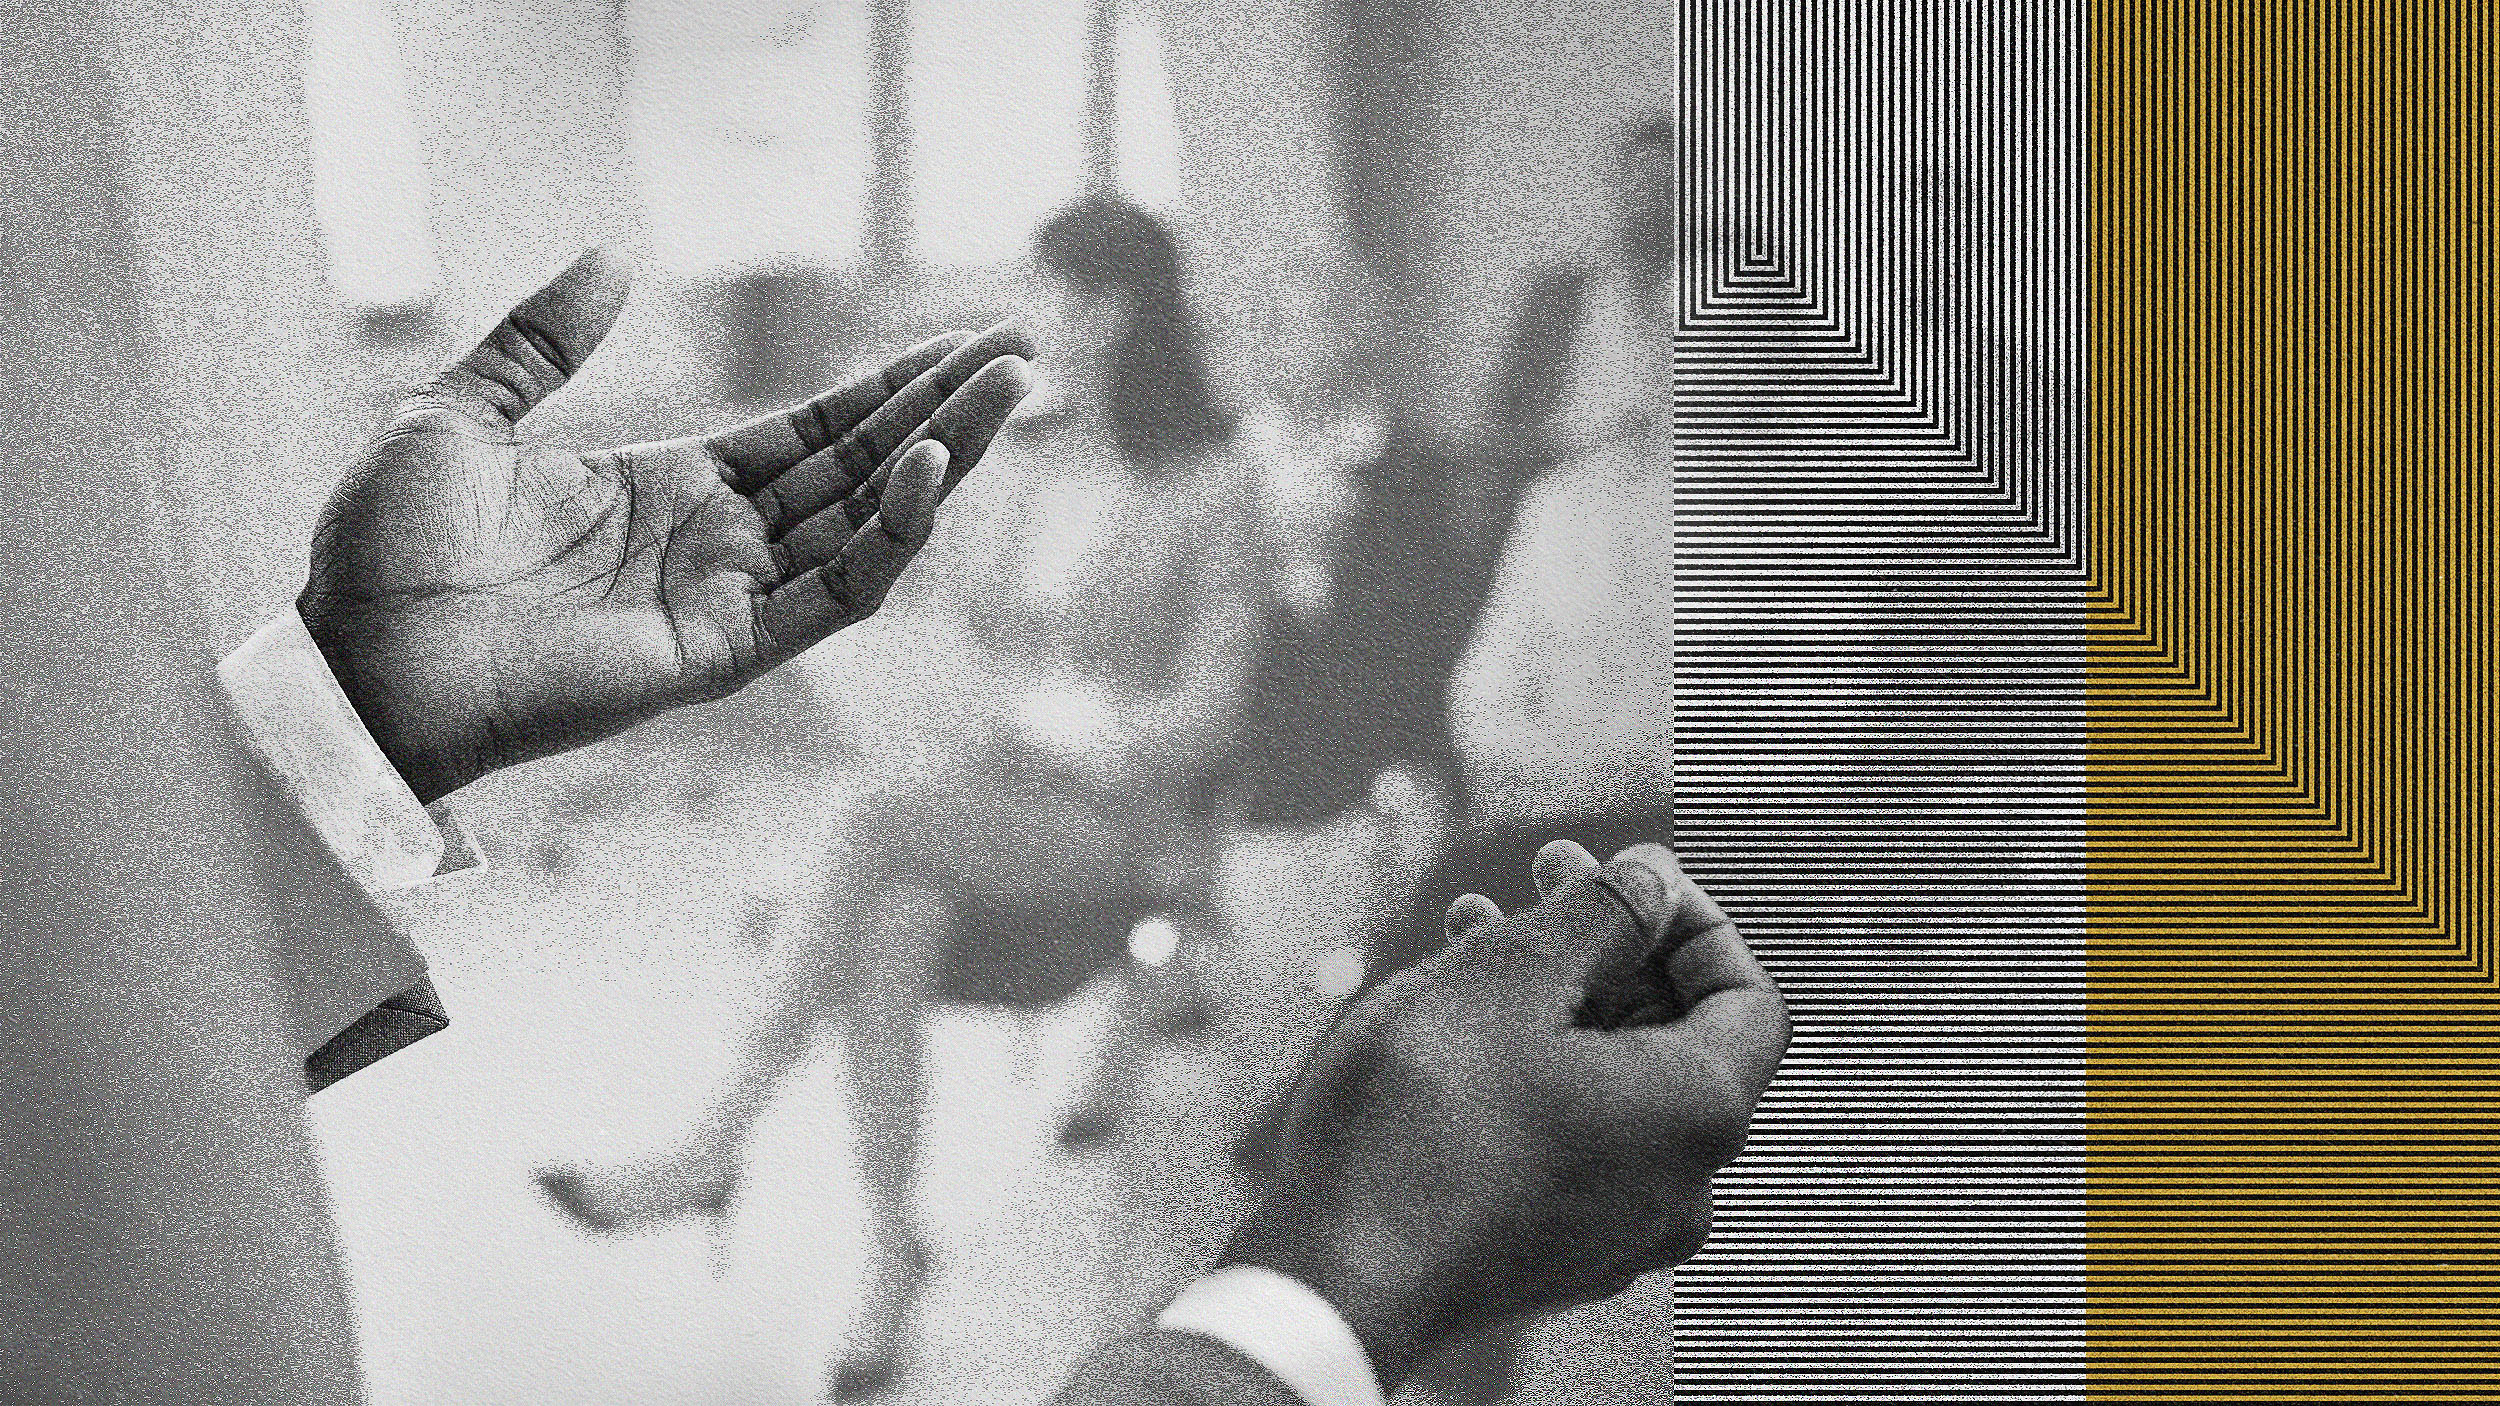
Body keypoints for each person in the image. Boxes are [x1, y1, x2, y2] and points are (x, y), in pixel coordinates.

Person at [533, 193, 1280, 1399]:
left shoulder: (1211, 482)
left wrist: (1089, 723)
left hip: (1116, 819)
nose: (1043, 319)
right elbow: (962, 632)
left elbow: (1214, 711)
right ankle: (891, 1250)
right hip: (980, 790)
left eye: (1066, 294)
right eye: (1038, 289)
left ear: (1127, 311)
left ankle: (716, 1138)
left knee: (870, 822)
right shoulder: (1034, 458)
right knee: (890, 920)